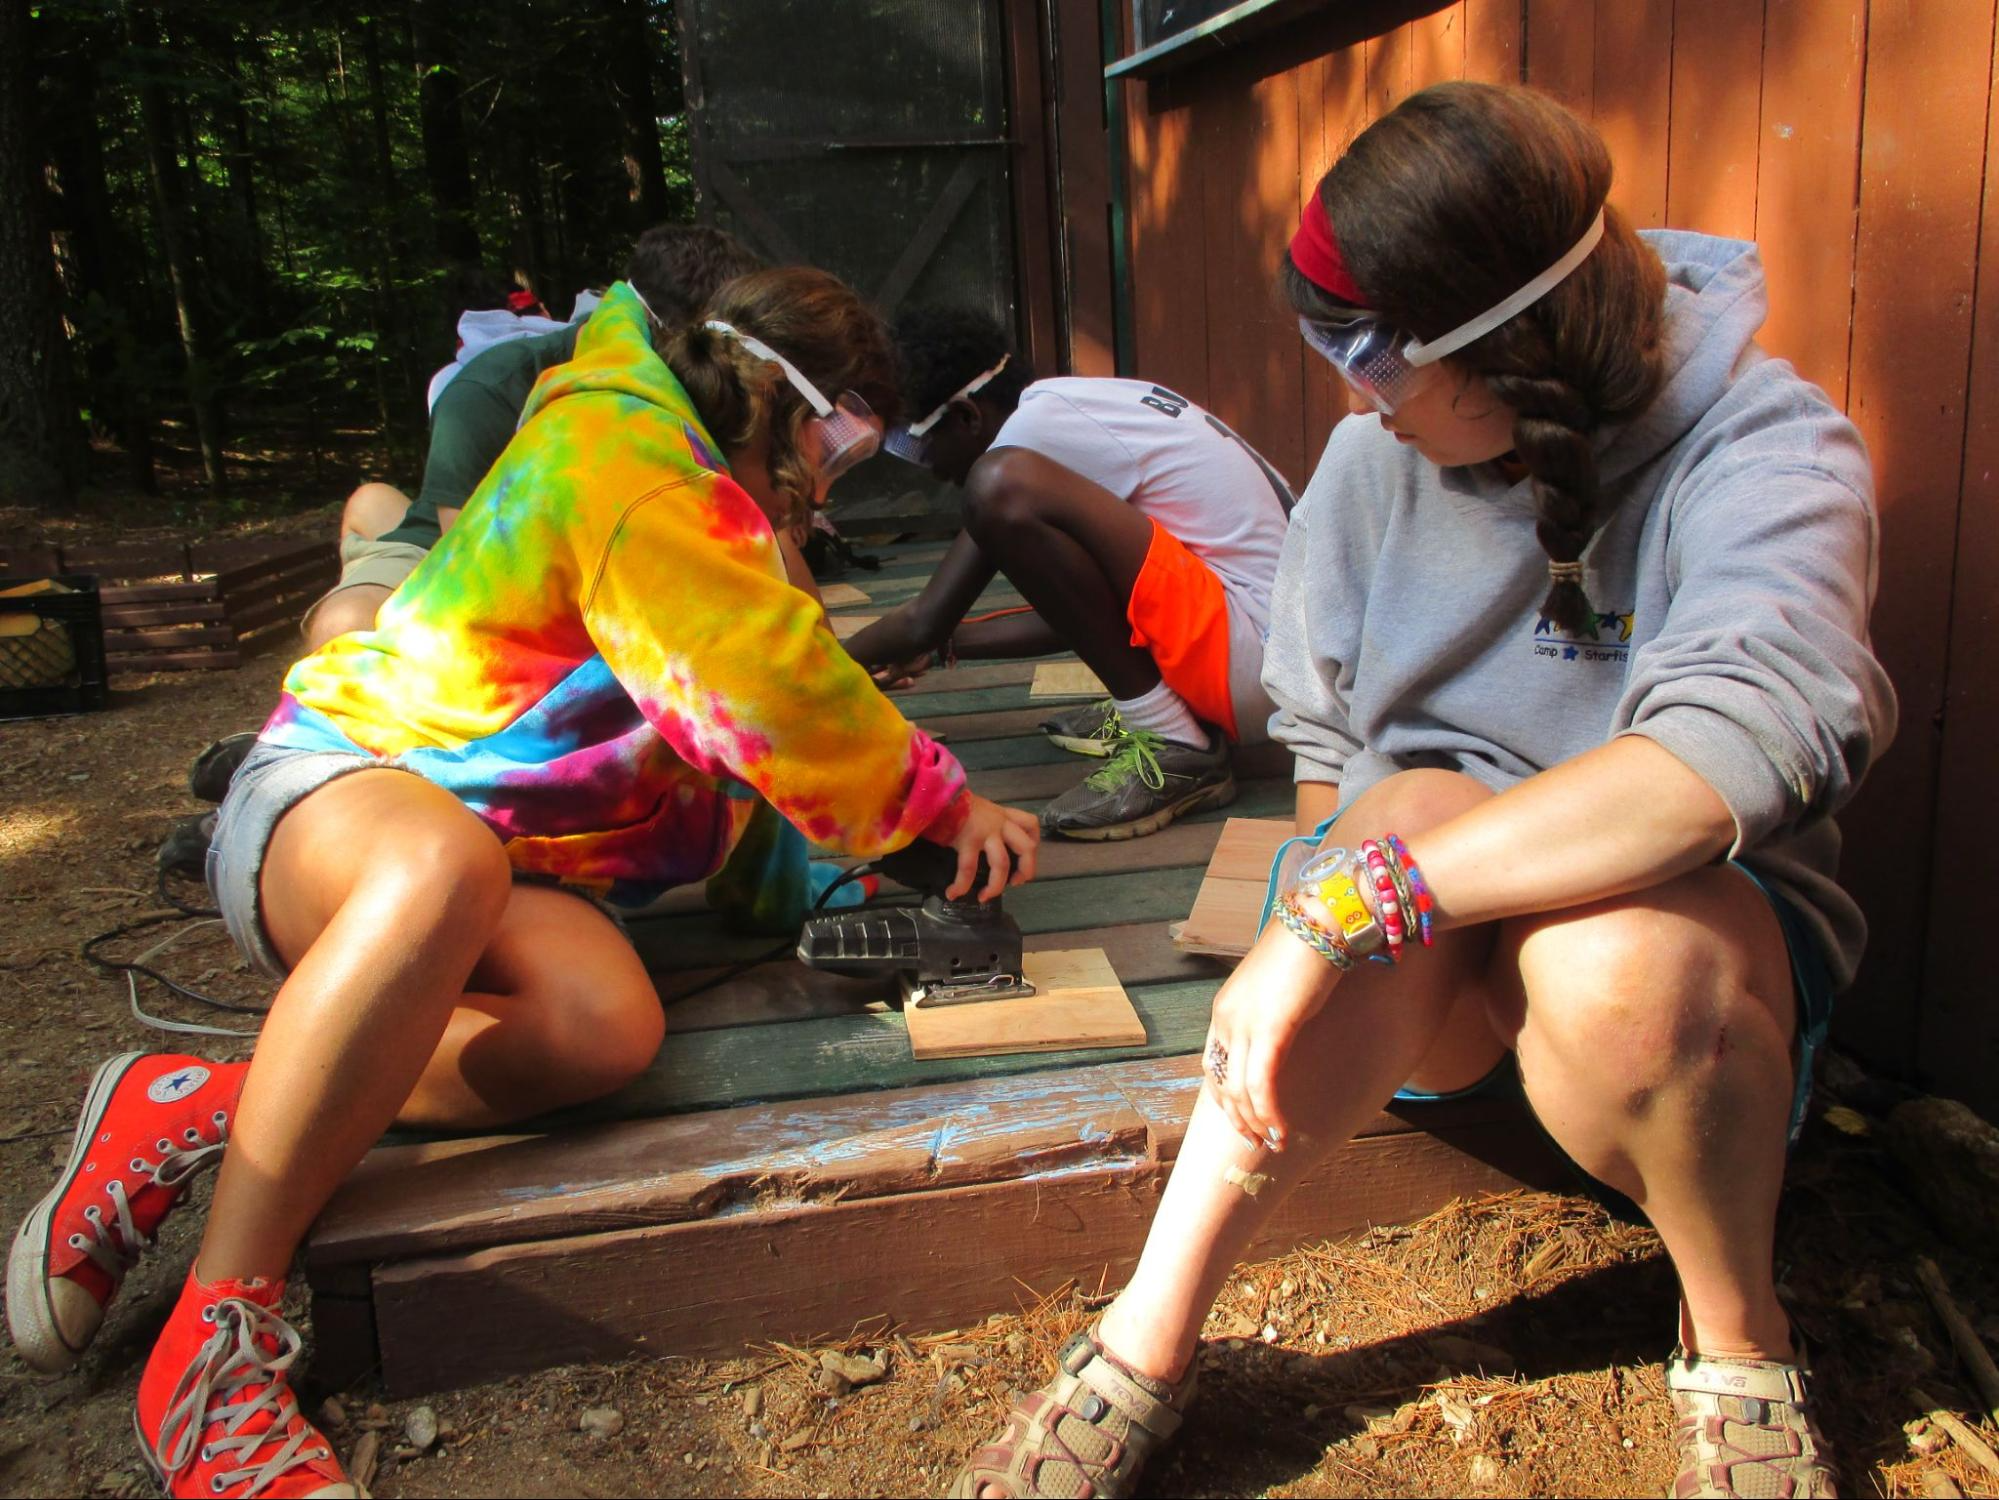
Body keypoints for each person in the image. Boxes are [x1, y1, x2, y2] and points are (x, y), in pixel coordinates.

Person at [950, 81, 1893, 1500]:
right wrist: (1350, 904)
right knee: (1410, 808)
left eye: (1363, 354)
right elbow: (1325, 746)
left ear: (1501, 351)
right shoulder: (1363, 462)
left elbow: (1737, 750)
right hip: (1437, 999)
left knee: (1601, 940)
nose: (1345, 394)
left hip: (1670, 1014)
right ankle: (1143, 1343)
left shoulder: (1764, 447)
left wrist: (1333, 916)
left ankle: (1740, 1348)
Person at [11, 265, 1039, 1499]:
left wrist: (803, 884)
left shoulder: (699, 503)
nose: (829, 479)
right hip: (332, 795)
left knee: (603, 1027)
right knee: (437, 862)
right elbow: (774, 698)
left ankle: (198, 1102)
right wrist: (937, 807)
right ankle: (216, 1336)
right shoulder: (636, 465)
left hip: (500, 863)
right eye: (836, 440)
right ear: (772, 395)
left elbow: (745, 722)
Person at [844, 307, 1295, 841]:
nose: (931, 471)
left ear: (966, 417)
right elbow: (1084, 612)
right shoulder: (1070, 405)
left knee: (995, 486)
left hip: (1253, 661)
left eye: (914, 447)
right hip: (1271, 658)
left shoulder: (1026, 444)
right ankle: (1163, 709)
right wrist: (946, 647)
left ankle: (1175, 743)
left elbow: (924, 618)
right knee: (1001, 487)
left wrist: (823, 663)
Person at [300, 223, 766, 652]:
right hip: (449, 558)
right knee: (344, 626)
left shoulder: (701, 390)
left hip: (597, 568)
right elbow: (473, 578)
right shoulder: (491, 388)